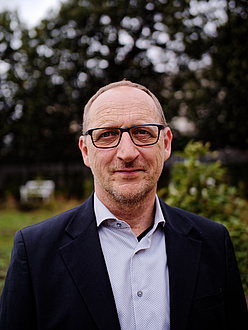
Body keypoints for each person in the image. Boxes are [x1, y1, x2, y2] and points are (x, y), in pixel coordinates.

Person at [0, 80, 247, 330]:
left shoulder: (214, 243)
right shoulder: (34, 253)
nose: (127, 153)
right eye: (107, 135)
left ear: (166, 143)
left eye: (143, 132)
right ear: (85, 151)